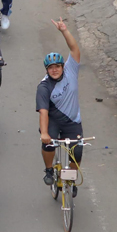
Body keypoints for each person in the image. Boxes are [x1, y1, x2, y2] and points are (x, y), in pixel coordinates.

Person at [37, 18, 83, 196]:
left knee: (77, 152)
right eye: (51, 68)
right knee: (48, 145)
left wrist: (64, 30)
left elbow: (74, 49)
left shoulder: (71, 70)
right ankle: (49, 169)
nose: (55, 70)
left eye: (57, 67)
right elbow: (43, 112)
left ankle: (70, 179)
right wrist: (44, 133)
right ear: (47, 70)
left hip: (72, 121)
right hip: (53, 121)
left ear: (63, 67)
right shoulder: (43, 87)